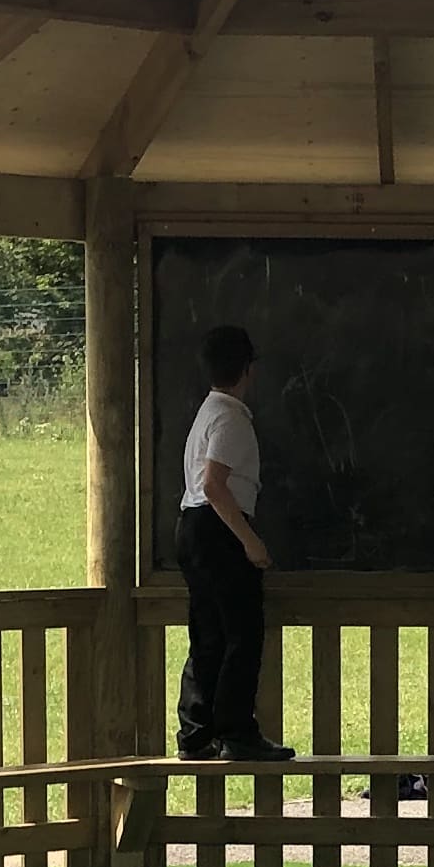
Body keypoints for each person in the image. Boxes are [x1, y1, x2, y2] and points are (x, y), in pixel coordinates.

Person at [175, 323, 291, 765]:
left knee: (209, 634)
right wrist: (251, 543)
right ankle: (237, 730)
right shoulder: (230, 418)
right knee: (242, 632)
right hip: (219, 528)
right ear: (248, 370)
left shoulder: (207, 411)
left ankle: (196, 730)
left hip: (194, 528)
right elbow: (215, 485)